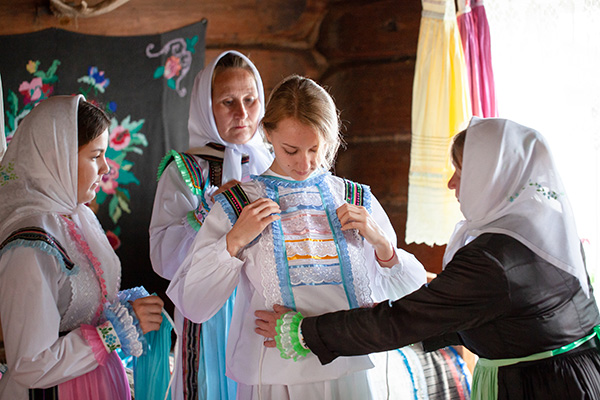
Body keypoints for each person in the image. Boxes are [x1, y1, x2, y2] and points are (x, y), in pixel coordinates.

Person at [256, 116, 600, 399]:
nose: (451, 183)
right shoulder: (546, 234)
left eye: (461, 172)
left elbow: (403, 320)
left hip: (541, 386)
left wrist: (306, 331)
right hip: (579, 374)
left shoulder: (492, 259)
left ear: (492, 179)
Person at [166, 74, 427, 399]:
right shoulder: (240, 204)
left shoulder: (353, 198)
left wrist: (382, 244)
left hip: (347, 369)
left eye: (315, 149)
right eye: (291, 150)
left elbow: (411, 297)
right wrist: (232, 242)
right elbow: (194, 303)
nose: (304, 163)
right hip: (274, 374)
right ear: (267, 133)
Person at [0, 95, 164, 400]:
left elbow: (78, 307)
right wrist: (113, 332)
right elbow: (30, 363)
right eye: (95, 156)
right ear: (57, 158)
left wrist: (124, 310)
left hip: (97, 381)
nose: (105, 168)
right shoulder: (31, 244)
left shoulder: (78, 218)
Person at [149, 50, 273, 400]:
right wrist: (208, 211)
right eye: (228, 102)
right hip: (209, 309)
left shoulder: (274, 163)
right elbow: (163, 257)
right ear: (206, 106)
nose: (242, 113)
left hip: (264, 307)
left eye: (250, 100)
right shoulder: (185, 172)